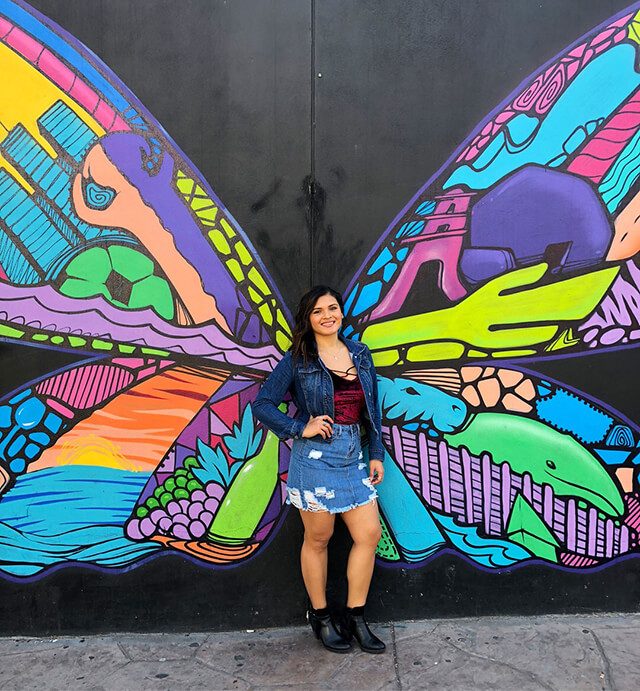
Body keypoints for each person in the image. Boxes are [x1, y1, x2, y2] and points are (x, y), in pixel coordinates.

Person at [252, 285, 386, 654]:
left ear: (341, 312)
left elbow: (372, 409)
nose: (327, 315)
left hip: (352, 456)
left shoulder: (360, 353)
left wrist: (376, 452)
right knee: (319, 537)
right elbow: (262, 404)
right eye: (318, 311)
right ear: (308, 319)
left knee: (369, 534)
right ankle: (322, 616)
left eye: (333, 308)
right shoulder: (299, 360)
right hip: (315, 458)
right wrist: (299, 428)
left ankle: (356, 617)